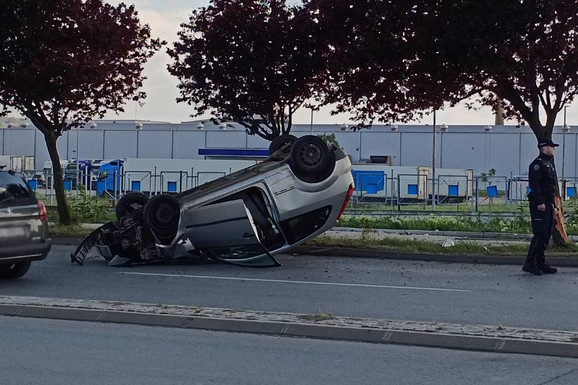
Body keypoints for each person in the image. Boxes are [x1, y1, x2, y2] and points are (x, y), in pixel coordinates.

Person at [523, 139, 559, 275]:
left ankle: (540, 262)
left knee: (546, 234)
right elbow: (535, 185)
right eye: (552, 146)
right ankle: (530, 263)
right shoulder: (537, 164)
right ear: (544, 148)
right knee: (539, 234)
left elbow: (550, 187)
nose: (554, 149)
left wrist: (554, 205)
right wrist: (540, 203)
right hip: (540, 204)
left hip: (548, 204)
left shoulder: (548, 164)